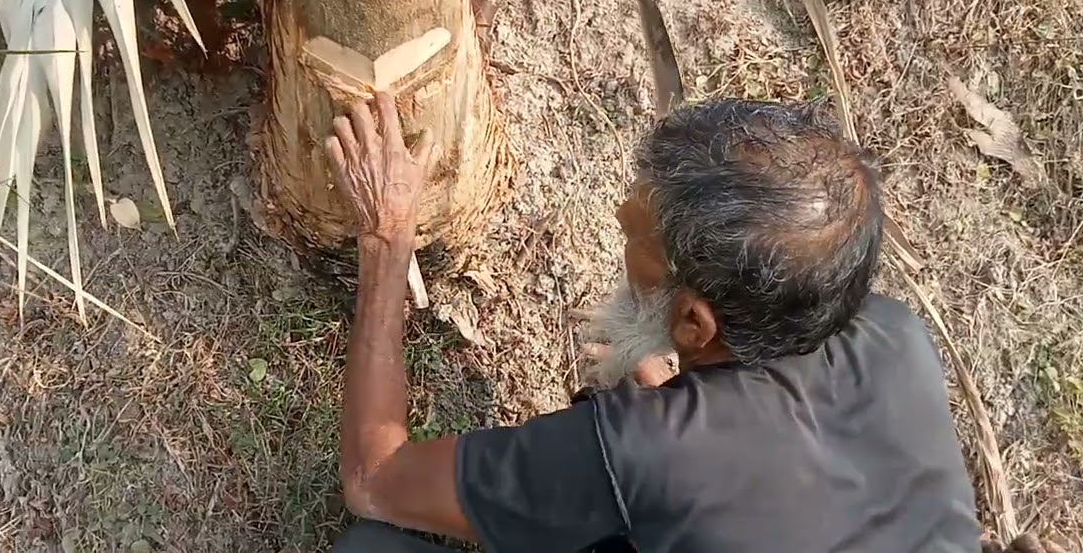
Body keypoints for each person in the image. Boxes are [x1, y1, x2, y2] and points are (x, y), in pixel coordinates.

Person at [323, 91, 980, 552]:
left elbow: (374, 480)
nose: (617, 220)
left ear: (694, 324)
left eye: (636, 237)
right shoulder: (896, 337)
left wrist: (387, 238)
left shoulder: (654, 450)